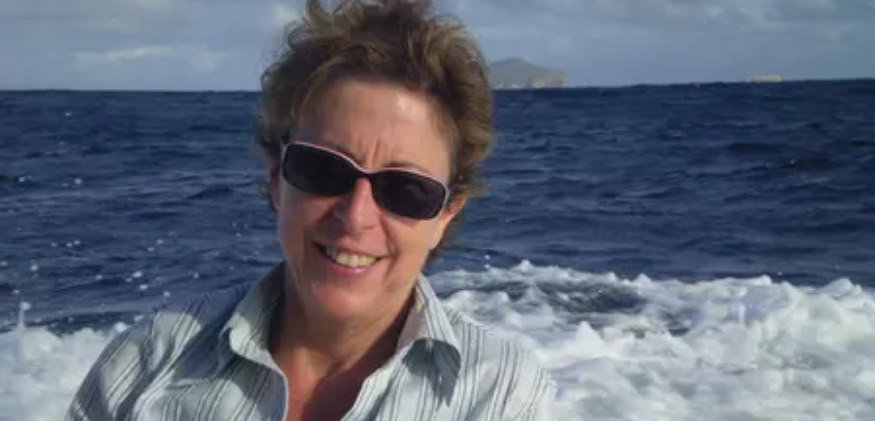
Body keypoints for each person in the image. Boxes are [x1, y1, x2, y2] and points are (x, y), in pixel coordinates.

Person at [65, 0, 557, 420]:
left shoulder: (500, 395)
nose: (355, 216)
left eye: (406, 189)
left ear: (445, 215)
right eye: (324, 171)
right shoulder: (149, 364)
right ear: (275, 178)